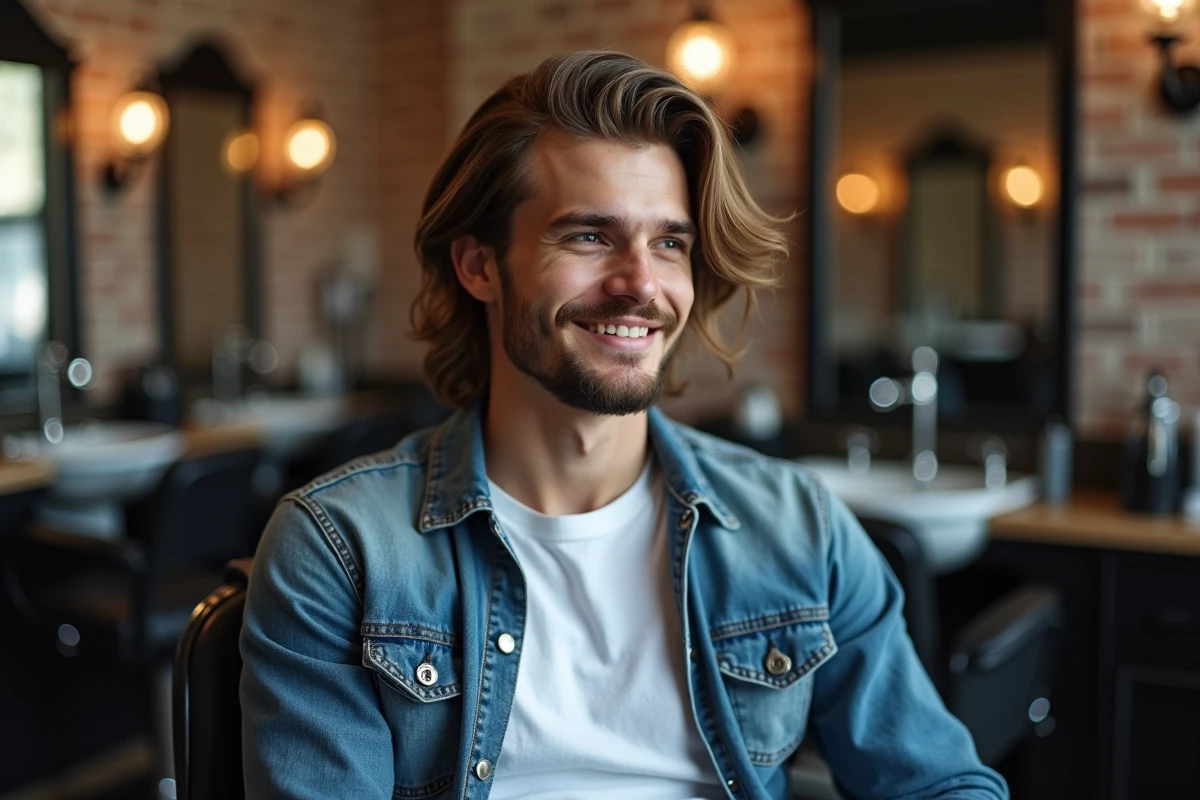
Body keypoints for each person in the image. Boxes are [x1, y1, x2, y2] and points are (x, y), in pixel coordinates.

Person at [240, 51, 1008, 800]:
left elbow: (941, 781)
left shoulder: (800, 529)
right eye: (588, 236)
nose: (641, 283)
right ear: (479, 266)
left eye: (669, 243)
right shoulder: (342, 551)